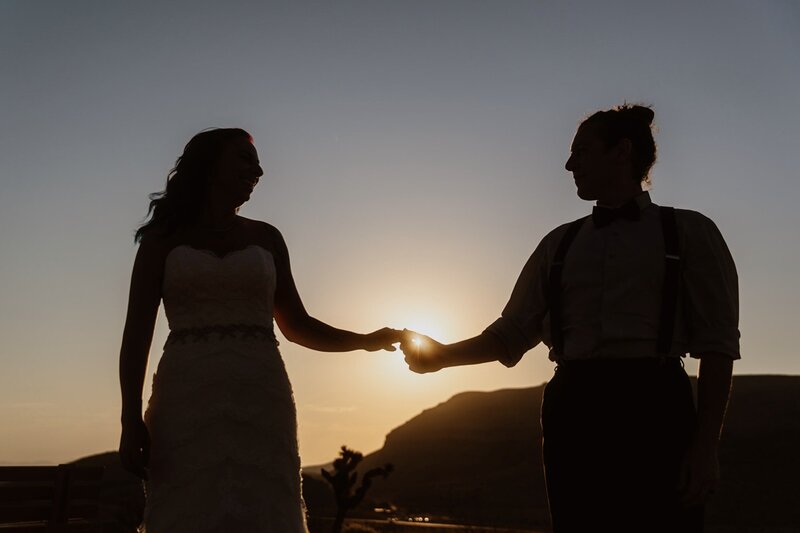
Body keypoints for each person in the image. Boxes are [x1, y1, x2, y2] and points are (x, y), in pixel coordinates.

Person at [400, 104, 739, 533]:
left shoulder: (691, 232)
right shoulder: (558, 243)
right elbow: (511, 333)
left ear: (622, 152)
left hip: (655, 406)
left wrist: (706, 447)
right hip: (573, 407)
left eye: (581, 151)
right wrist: (441, 356)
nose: (568, 165)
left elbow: (717, 346)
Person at [118, 128, 400, 533]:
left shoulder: (267, 238)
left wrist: (365, 341)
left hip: (262, 398)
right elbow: (136, 335)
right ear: (210, 165)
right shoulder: (161, 240)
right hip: (185, 398)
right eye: (245, 159)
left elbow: (297, 326)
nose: (259, 171)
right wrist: (130, 418)